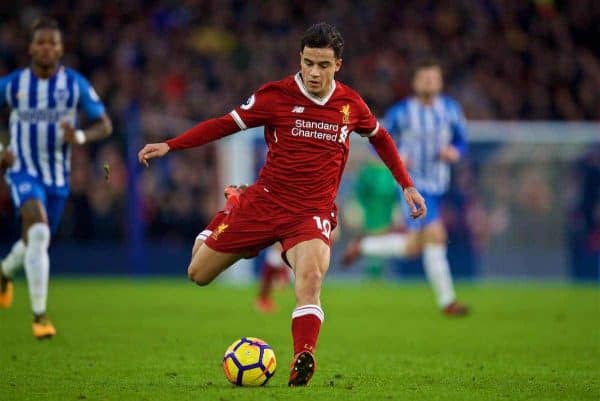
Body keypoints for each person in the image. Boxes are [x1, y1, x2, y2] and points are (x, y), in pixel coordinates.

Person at [138, 23, 426, 386]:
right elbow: (225, 124)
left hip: (311, 213)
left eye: (323, 64)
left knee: (311, 278)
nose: (314, 72)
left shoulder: (350, 105)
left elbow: (380, 137)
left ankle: (303, 356)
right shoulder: (275, 96)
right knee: (198, 273)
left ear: (338, 64)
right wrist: (172, 144)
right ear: (300, 60)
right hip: (263, 204)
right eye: (309, 63)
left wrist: (407, 185)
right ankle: (231, 209)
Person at [0, 17, 113, 339]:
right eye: (41, 42)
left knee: (35, 240)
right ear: (31, 47)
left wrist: (77, 136)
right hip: (22, 169)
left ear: (61, 49)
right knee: (37, 232)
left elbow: (104, 125)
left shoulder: (73, 84)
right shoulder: (13, 85)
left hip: (57, 177)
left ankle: (5, 272)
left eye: (53, 43)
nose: (47, 48)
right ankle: (40, 317)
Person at [342, 60, 469, 317]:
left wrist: (454, 152)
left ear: (440, 83)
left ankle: (364, 246)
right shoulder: (401, 113)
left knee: (414, 246)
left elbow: (462, 141)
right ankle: (448, 302)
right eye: (424, 79)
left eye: (433, 79)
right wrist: (398, 158)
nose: (429, 84)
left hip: (440, 185)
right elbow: (376, 143)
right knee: (436, 234)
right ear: (415, 83)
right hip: (413, 186)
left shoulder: (451, 110)